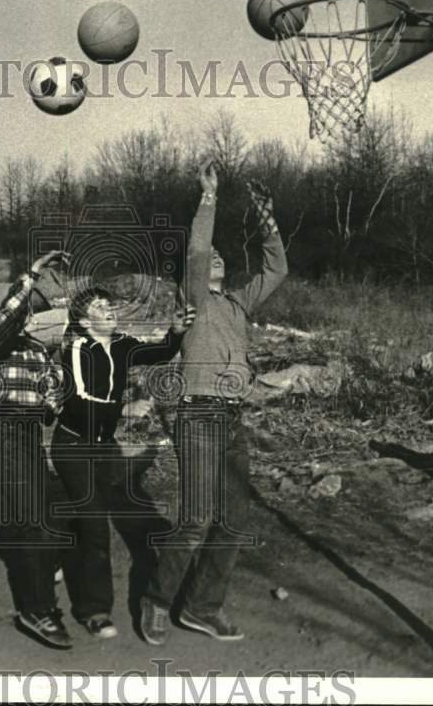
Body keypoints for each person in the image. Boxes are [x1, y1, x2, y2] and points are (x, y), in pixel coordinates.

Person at [140, 161, 288, 645]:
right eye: (212, 260)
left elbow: (277, 268)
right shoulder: (195, 298)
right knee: (196, 518)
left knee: (234, 520)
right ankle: (157, 601)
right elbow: (200, 248)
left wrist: (265, 214)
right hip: (198, 415)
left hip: (231, 419)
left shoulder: (239, 305)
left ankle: (201, 607)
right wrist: (210, 196)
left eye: (226, 257)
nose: (218, 258)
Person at [51, 286, 196, 639]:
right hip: (73, 446)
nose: (110, 309)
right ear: (85, 321)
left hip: (103, 447)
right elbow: (80, 406)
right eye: (101, 307)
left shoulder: (121, 344)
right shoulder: (75, 350)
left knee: (88, 516)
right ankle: (95, 610)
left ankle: (57, 555)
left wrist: (175, 332)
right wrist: (125, 409)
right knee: (97, 527)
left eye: (110, 304)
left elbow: (158, 352)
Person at [0, 249, 75, 649]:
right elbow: (7, 318)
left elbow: (56, 397)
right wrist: (32, 273)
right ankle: (35, 610)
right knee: (31, 523)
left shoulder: (37, 351)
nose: (31, 316)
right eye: (25, 310)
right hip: (8, 433)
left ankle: (42, 574)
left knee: (46, 516)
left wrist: (57, 390)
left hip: (31, 434)